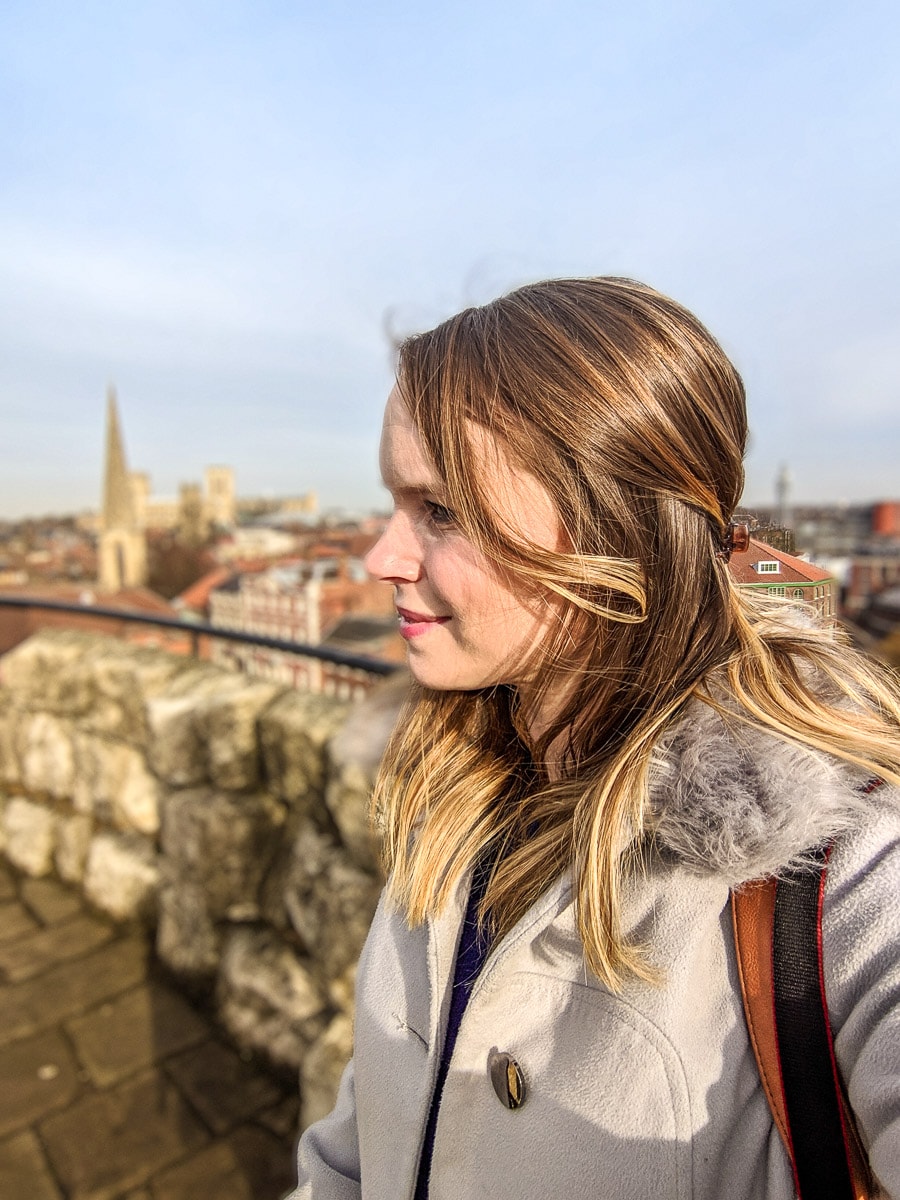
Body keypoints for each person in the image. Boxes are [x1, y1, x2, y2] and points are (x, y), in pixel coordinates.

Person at [290, 278, 900, 1199]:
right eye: (395, 504)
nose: (382, 557)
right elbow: (359, 1137)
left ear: (615, 527)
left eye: (441, 510)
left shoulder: (838, 878)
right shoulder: (453, 788)